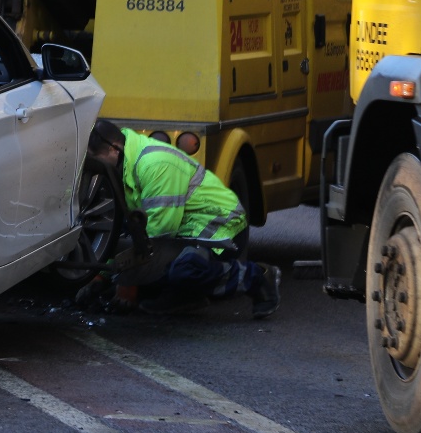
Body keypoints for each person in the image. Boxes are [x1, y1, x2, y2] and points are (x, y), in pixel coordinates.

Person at [85, 119, 281, 318]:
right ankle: (186, 295)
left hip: (220, 231)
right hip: (185, 233)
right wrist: (102, 275)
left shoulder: (155, 164)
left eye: (96, 160)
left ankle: (257, 277)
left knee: (185, 270)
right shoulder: (125, 163)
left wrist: (127, 282)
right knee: (153, 273)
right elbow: (130, 231)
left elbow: (157, 236)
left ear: (114, 149)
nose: (96, 168)